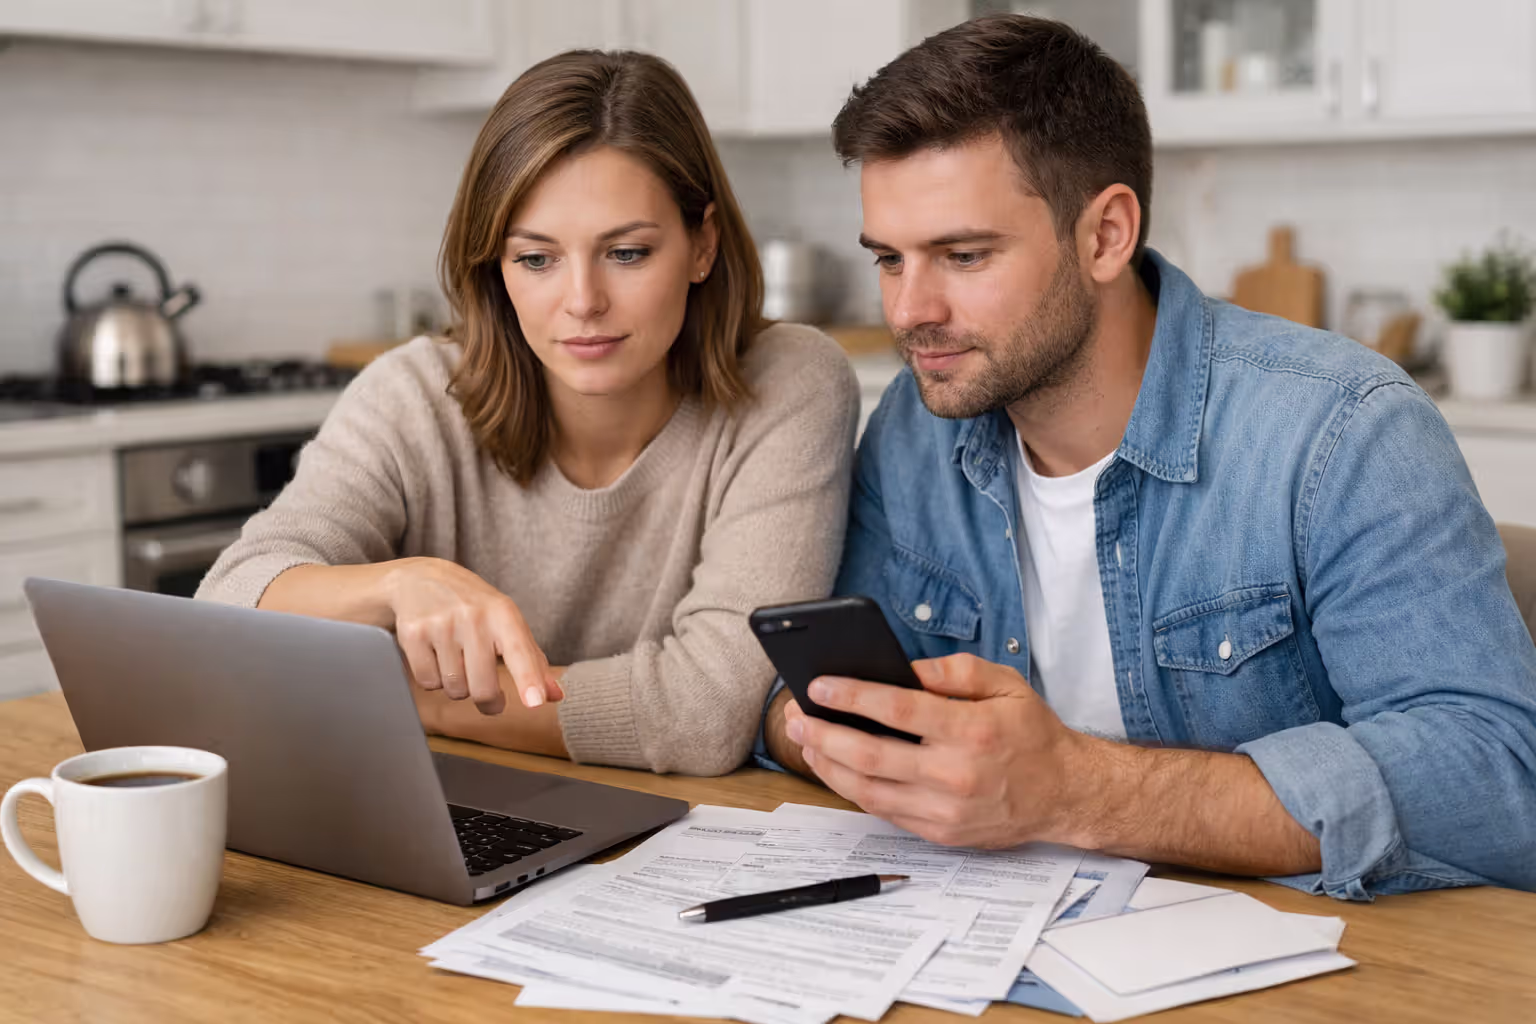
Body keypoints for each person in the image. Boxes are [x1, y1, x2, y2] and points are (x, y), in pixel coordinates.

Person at [760, 14, 1536, 897]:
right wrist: (819, 730)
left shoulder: (1344, 430)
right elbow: (811, 695)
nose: (907, 312)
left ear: (1106, 234)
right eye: (889, 261)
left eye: (963, 255)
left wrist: (1075, 792)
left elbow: (1498, 781)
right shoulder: (919, 422)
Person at [198, 50, 858, 777]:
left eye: (628, 252)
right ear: (495, 266)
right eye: (536, 259)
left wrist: (406, 694)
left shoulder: (792, 382)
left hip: (688, 832)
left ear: (702, 245)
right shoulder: (413, 393)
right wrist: (396, 585)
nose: (582, 301)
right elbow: (230, 598)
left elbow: (705, 712)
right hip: (443, 802)